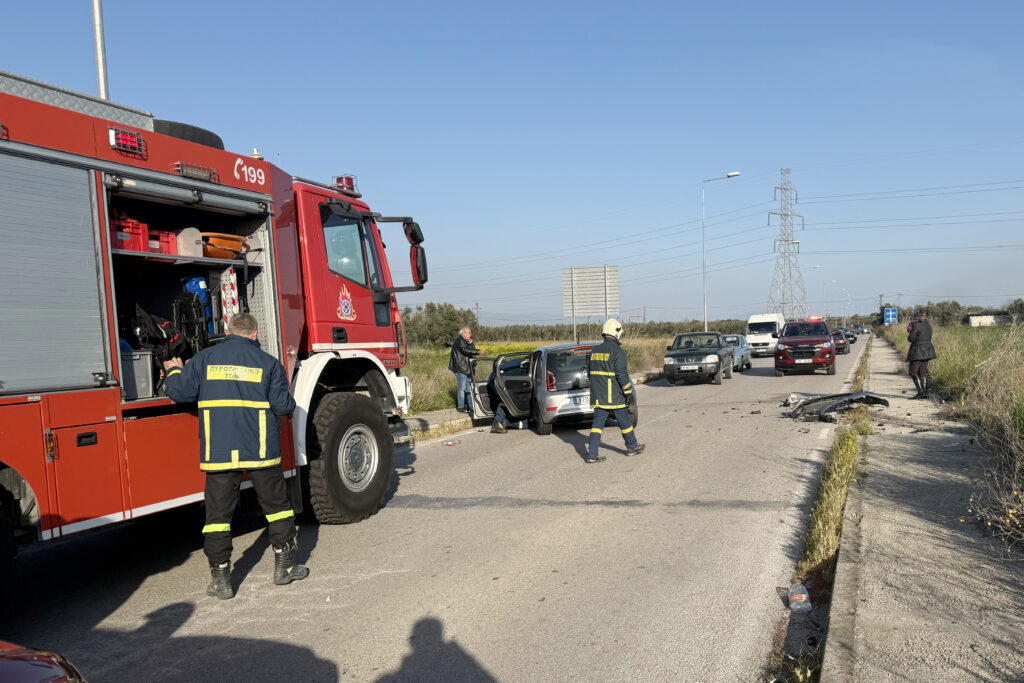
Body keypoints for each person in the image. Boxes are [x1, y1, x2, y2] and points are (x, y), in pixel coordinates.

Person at [163, 313, 308, 600]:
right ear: (255, 334)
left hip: (219, 450)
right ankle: (285, 567)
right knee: (277, 507)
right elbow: (283, 406)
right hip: (261, 449)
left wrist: (175, 371)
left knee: (218, 516)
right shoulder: (269, 363)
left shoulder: (205, 359)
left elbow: (179, 392)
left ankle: (221, 579)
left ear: (228, 332)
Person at [585, 319, 645, 463]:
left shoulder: (594, 351)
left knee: (597, 425)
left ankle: (592, 454)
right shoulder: (618, 352)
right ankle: (632, 447)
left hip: (599, 396)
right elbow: (622, 376)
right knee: (624, 422)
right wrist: (628, 393)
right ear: (616, 333)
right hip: (615, 396)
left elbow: (590, 373)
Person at [448, 327, 480, 413]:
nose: (471, 334)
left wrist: (471, 343)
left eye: (470, 332)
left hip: (467, 368)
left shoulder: (467, 342)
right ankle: (461, 407)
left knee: (468, 388)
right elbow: (465, 350)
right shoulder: (459, 341)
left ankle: (470, 406)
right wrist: (478, 351)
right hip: (460, 368)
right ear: (463, 333)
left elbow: (471, 351)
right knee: (462, 387)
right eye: (469, 333)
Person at [906, 312, 937, 399]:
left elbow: (911, 338)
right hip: (928, 350)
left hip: (918, 351)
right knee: (923, 371)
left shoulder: (916, 325)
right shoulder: (928, 325)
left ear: (917, 318)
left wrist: (910, 330)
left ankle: (921, 392)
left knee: (913, 371)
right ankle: (925, 393)